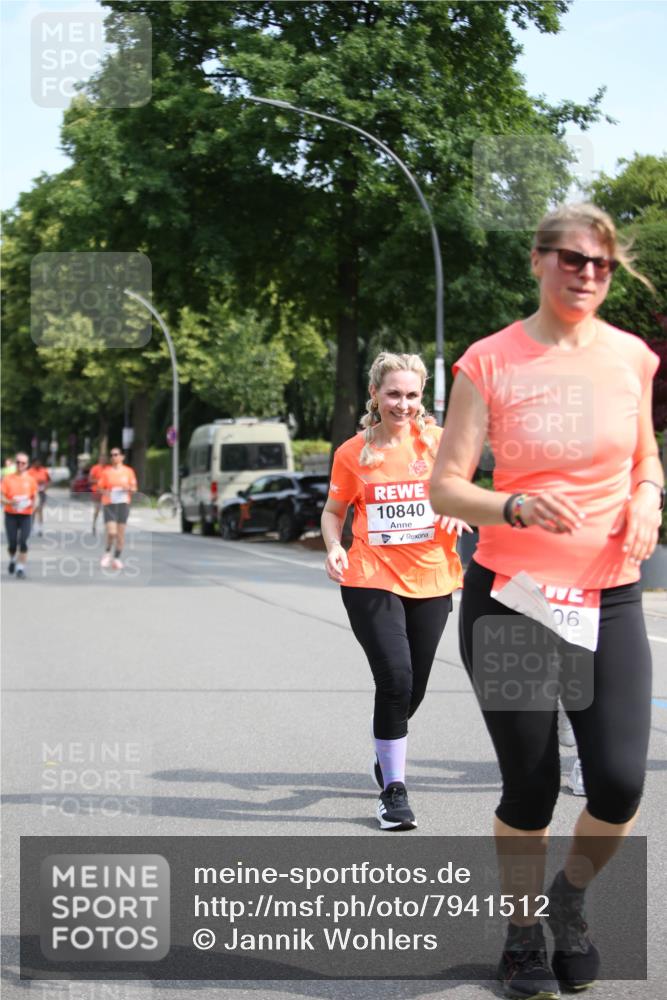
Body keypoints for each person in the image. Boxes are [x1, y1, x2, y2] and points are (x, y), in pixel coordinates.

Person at [430, 203, 662, 999]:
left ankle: (569, 899)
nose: (585, 274)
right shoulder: (488, 362)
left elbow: (644, 458)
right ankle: (523, 931)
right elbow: (446, 486)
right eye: (569, 259)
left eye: (598, 263)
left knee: (620, 782)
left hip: (610, 599)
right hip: (514, 600)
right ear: (536, 262)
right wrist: (514, 507)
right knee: (529, 788)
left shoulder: (631, 357)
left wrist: (648, 495)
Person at [321, 352, 468, 831]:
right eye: (393, 394)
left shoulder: (440, 443)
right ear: (375, 395)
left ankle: (385, 752)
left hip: (432, 578)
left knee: (414, 687)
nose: (402, 404)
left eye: (411, 395)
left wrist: (453, 508)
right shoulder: (352, 452)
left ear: (421, 397)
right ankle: (394, 792)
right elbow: (332, 511)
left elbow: (461, 491)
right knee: (397, 679)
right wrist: (333, 547)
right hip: (371, 576)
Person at [96, 447, 138, 569]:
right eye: (112, 455)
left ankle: (117, 558)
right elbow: (99, 488)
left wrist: (128, 489)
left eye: (116, 454)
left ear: (122, 457)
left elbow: (134, 488)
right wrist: (106, 492)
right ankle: (107, 553)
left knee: (120, 535)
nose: (113, 457)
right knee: (111, 532)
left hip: (123, 504)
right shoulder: (106, 472)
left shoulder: (129, 471)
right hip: (109, 504)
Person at [2, 452, 38, 578]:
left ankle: (20, 568)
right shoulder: (8, 479)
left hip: (26, 515)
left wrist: (34, 505)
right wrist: (10, 502)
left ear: (27, 465)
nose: (20, 465)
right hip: (10, 514)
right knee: (12, 543)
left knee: (23, 541)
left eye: (23, 463)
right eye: (18, 462)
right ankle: (12, 559)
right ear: (14, 463)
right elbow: (1, 496)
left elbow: (35, 496)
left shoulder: (31, 480)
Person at [28, 458, 51, 537]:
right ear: (33, 463)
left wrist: (46, 487)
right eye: (36, 463)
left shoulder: (44, 470)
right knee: (33, 511)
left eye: (39, 462)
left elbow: (49, 480)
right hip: (32, 493)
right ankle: (31, 527)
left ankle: (40, 528)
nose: (38, 464)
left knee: (40, 510)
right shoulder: (30, 471)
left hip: (41, 493)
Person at [88, 453, 108, 536]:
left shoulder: (108, 468)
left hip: (106, 492)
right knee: (97, 509)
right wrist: (99, 481)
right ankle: (94, 525)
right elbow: (90, 480)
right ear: (99, 460)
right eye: (102, 459)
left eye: (104, 459)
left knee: (107, 510)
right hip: (96, 491)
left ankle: (106, 527)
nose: (103, 461)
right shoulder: (95, 468)